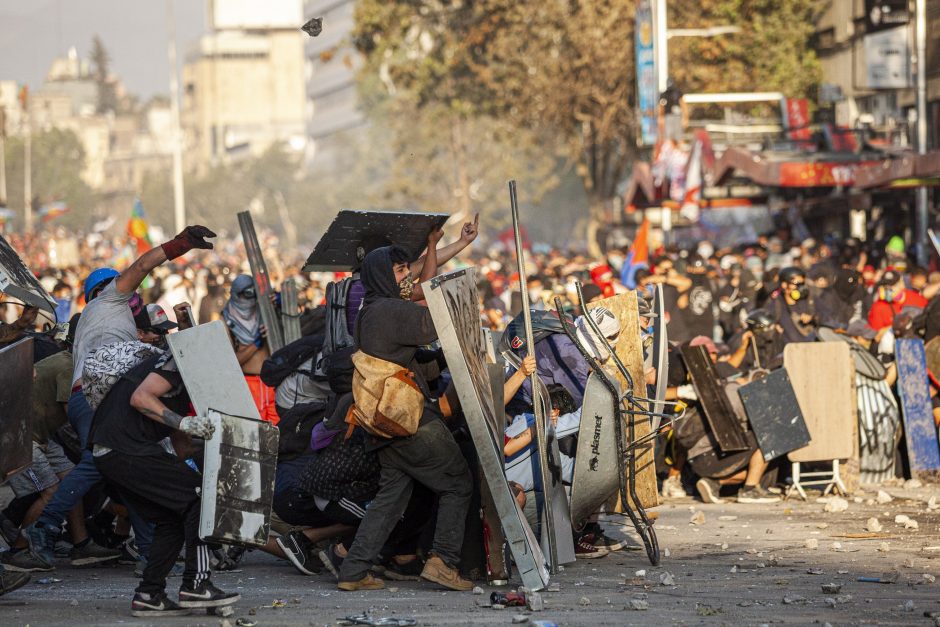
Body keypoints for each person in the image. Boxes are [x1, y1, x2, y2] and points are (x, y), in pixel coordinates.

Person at [26, 225, 216, 566]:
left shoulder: (104, 319)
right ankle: (45, 524)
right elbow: (142, 266)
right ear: (105, 288)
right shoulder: (110, 300)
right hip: (96, 396)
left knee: (130, 471)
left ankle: (148, 556)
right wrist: (179, 245)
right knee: (100, 462)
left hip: (102, 397)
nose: (135, 293)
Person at [336, 238, 474, 592]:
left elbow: (417, 299)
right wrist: (460, 294)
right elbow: (433, 321)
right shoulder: (391, 311)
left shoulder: (373, 309)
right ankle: (443, 561)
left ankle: (353, 570)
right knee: (458, 482)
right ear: (383, 276)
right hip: (409, 417)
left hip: (384, 419)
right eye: (399, 271)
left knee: (390, 498)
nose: (405, 278)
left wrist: (434, 246)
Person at [88, 348, 238, 617]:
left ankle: (149, 594)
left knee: (173, 516)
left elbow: (181, 448)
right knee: (201, 498)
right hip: (125, 449)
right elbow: (140, 397)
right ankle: (197, 584)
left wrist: (213, 458)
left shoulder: (182, 384)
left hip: (113, 452)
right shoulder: (179, 361)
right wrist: (185, 423)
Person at [1, 314, 118, 572]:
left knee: (72, 480)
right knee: (52, 491)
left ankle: (81, 543)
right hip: (19, 437)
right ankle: (19, 549)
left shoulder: (71, 363)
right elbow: (73, 416)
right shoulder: (68, 367)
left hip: (38, 435)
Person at [222, 274, 280, 425]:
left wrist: (280, 302)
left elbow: (296, 311)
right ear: (235, 294)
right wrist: (256, 343)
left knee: (277, 428)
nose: (249, 299)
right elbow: (231, 361)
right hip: (248, 383)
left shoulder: (264, 311)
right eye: (245, 294)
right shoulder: (226, 320)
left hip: (272, 381)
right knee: (255, 428)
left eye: (252, 293)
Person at [766, 267, 816, 343]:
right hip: (789, 349)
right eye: (797, 284)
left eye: (802, 284)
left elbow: (825, 315)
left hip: (810, 346)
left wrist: (812, 317)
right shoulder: (776, 303)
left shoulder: (808, 299)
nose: (801, 287)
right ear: (784, 284)